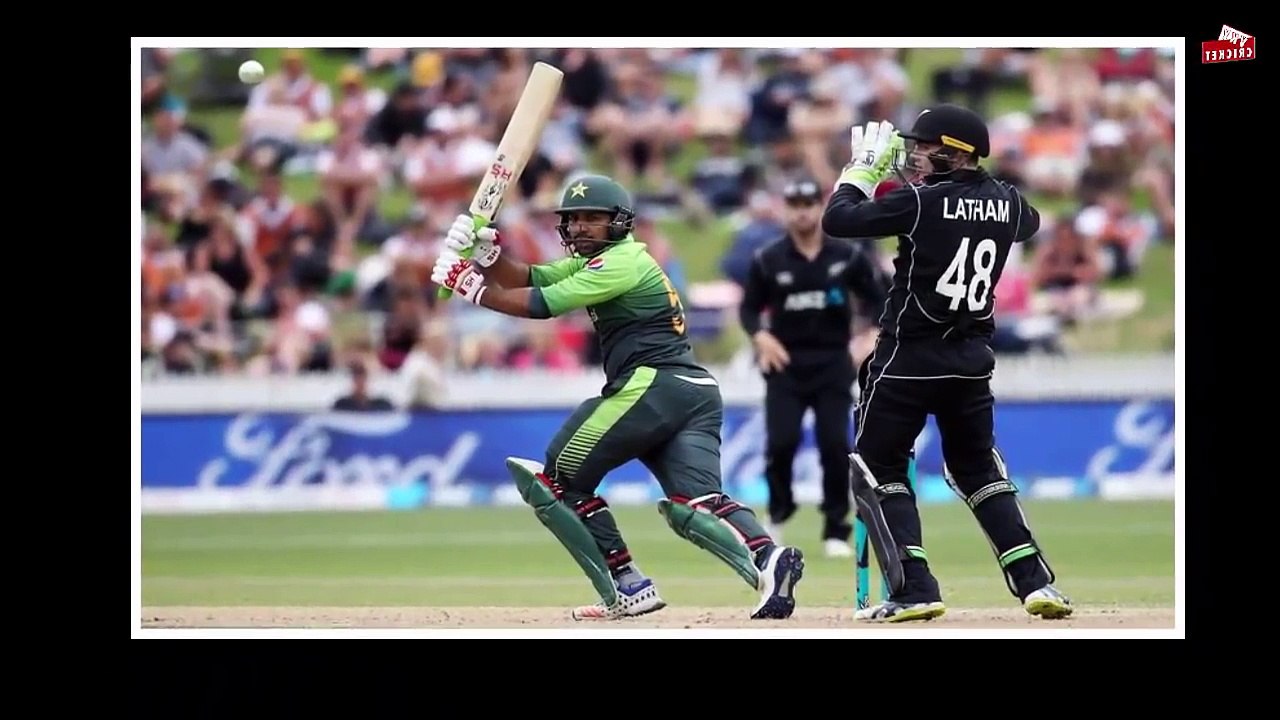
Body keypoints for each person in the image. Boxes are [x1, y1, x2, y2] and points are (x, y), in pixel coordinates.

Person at [430, 174, 806, 621]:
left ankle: (627, 585)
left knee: (557, 480)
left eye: (593, 218)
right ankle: (768, 559)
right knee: (697, 504)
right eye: (574, 219)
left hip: (653, 384)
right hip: (694, 390)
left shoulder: (619, 263)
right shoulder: (603, 261)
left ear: (620, 222)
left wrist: (469, 286)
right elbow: (530, 276)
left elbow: (541, 304)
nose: (581, 227)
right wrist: (486, 255)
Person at [821, 105, 1073, 623]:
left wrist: (860, 172)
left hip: (908, 358)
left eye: (925, 146)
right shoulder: (1008, 202)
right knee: (978, 469)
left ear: (956, 153)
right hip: (971, 361)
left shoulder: (918, 202)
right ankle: (1035, 582)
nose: (914, 155)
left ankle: (914, 587)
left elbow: (839, 219)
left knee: (878, 468)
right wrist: (965, 194)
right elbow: (1028, 221)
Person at [738, 176, 888, 559]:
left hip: (834, 362)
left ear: (819, 209)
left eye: (808, 205)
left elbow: (878, 299)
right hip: (785, 364)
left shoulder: (846, 256)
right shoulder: (769, 259)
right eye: (795, 206)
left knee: (834, 445)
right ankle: (778, 511)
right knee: (781, 443)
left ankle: (835, 528)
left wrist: (869, 336)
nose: (802, 213)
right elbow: (749, 309)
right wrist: (761, 337)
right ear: (786, 210)